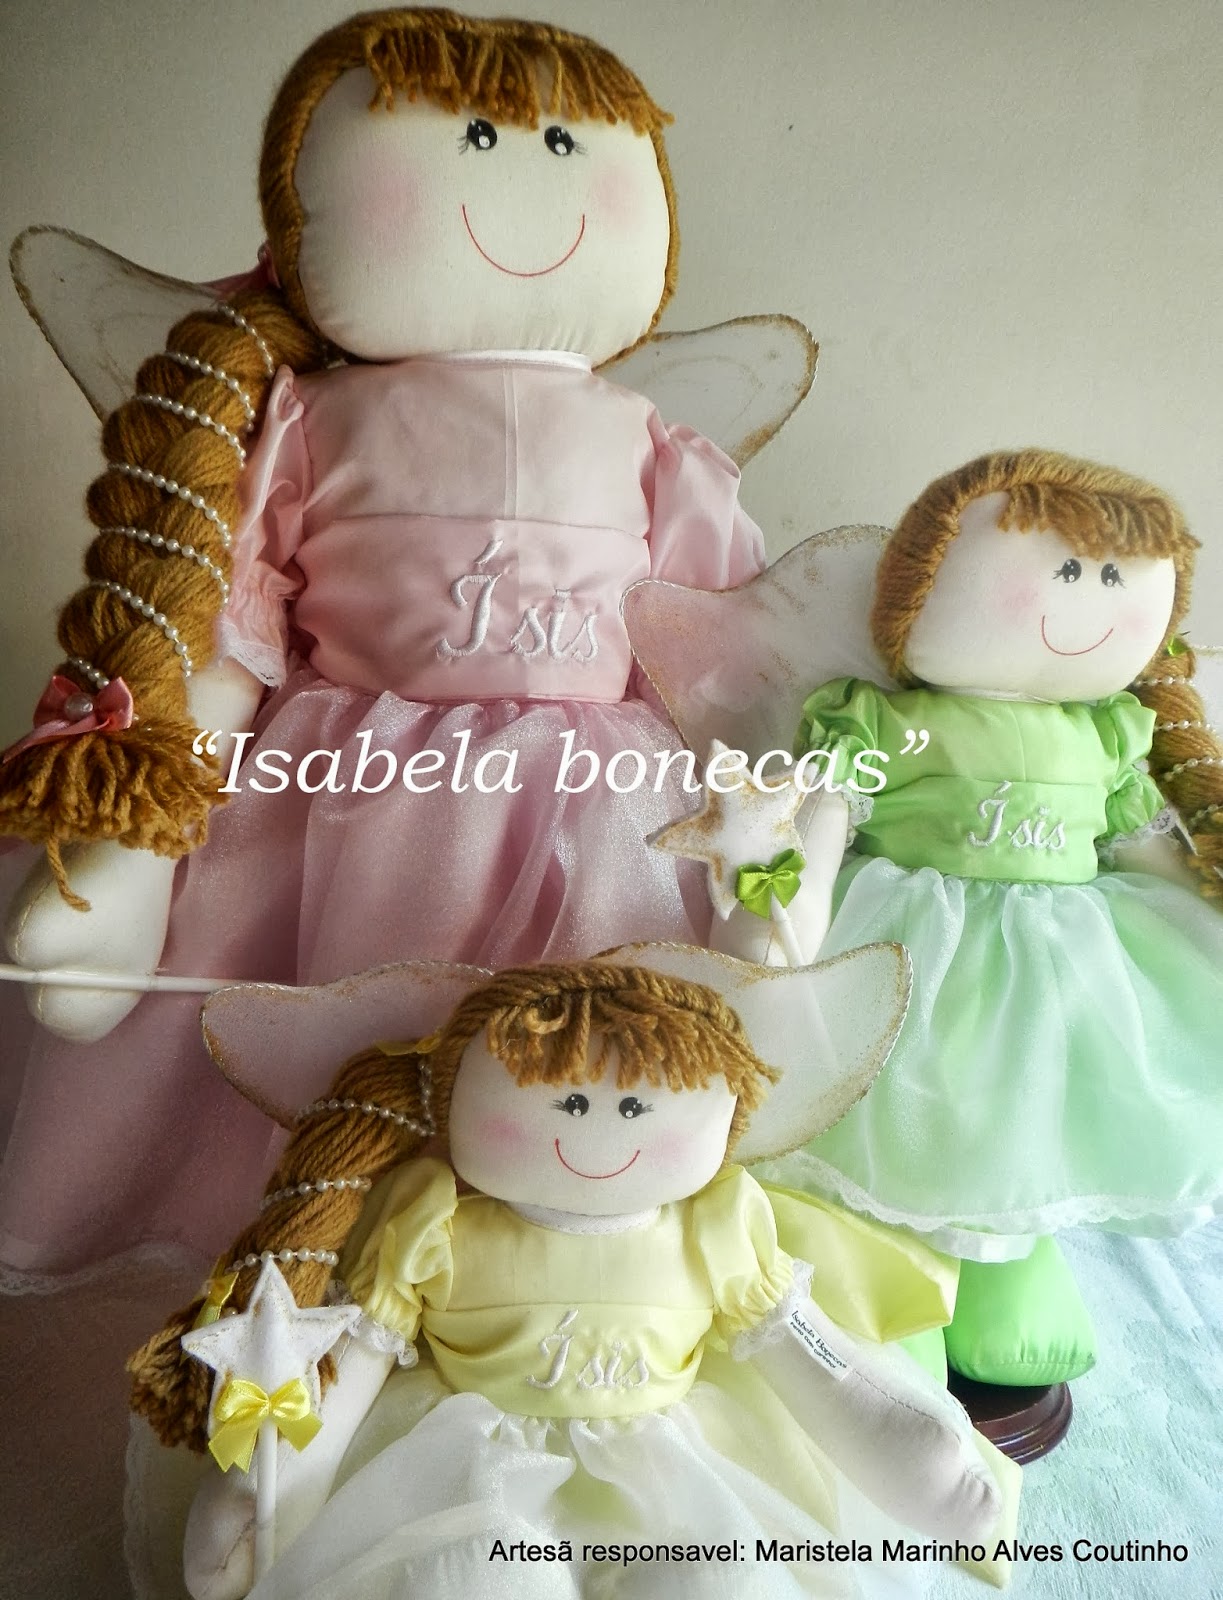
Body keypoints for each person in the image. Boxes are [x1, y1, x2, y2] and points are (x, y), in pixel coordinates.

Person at [0, 10, 764, 1277]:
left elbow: (716, 649)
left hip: (602, 802)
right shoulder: (306, 417)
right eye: (475, 140)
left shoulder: (647, 440)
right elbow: (233, 633)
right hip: (341, 783)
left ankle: (558, 1276)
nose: (525, 178)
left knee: (586, 1057)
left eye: (566, 145)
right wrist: (143, 833)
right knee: (325, 1045)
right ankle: (318, 1268)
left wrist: (775, 797)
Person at [129, 958, 1004, 1600]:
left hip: (674, 1448)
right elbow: (353, 1363)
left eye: (635, 1106)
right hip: (471, 1451)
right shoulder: (433, 1218)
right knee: (469, 1576)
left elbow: (810, 1358)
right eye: (570, 1101)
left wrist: (922, 1466)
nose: (598, 1130)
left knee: (716, 1574)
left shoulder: (717, 1222)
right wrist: (266, 1483)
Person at [776, 448, 1223, 1383]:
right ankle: (886, 1276)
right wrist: (794, 906)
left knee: (1031, 1118)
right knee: (900, 1106)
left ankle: (1009, 1268)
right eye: (1065, 571)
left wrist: (1197, 900)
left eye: (1112, 578)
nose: (1087, 599)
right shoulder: (883, 722)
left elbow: (1137, 839)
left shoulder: (1106, 732)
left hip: (1068, 957)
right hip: (910, 940)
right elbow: (828, 814)